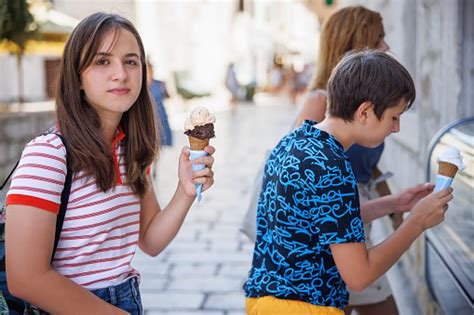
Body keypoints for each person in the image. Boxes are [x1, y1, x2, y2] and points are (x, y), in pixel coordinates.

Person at [4, 12, 215, 314]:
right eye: (103, 61)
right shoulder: (48, 154)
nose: (121, 73)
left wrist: (185, 191)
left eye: (131, 61)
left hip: (128, 298)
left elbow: (150, 241)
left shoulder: (129, 149)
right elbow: (25, 279)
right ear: (77, 76)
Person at [244, 50, 453, 315]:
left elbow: (318, 220)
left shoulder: (294, 140)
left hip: (263, 302)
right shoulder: (332, 164)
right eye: (394, 117)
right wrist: (417, 222)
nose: (396, 128)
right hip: (306, 308)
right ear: (365, 111)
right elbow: (359, 276)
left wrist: (393, 203)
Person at [293, 7, 401, 314]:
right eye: (378, 38)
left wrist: (394, 204)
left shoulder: (365, 110)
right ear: (358, 43)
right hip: (333, 231)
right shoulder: (320, 102)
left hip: (354, 221)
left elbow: (367, 164)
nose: (386, 46)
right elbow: (296, 160)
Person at [147, 60, 173, 147]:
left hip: (162, 114)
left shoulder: (159, 83)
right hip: (150, 115)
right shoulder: (142, 86)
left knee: (165, 139)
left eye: (151, 70)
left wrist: (166, 86)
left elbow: (168, 96)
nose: (151, 72)